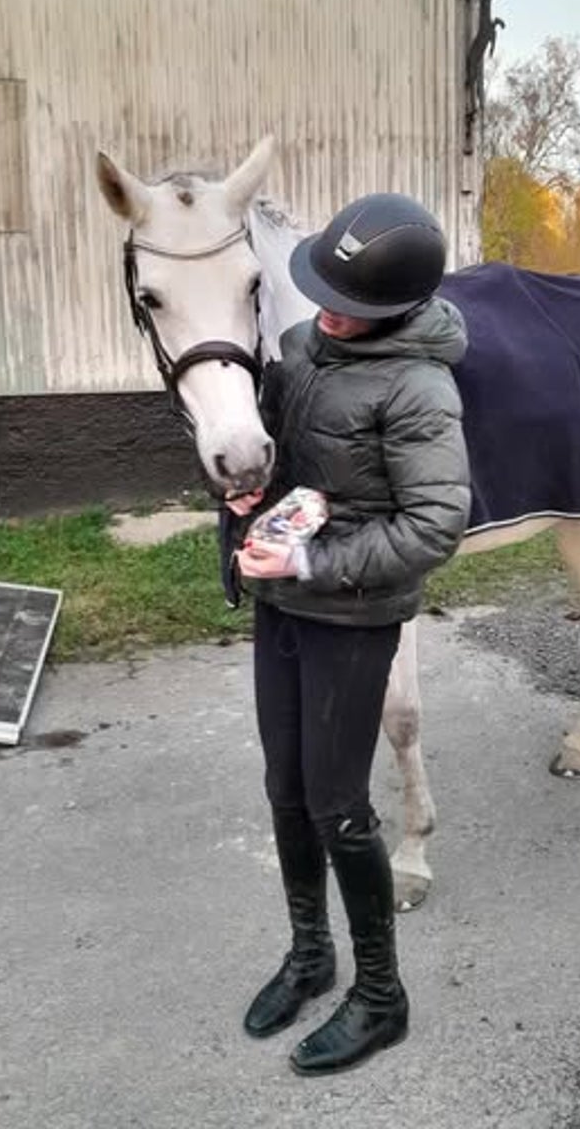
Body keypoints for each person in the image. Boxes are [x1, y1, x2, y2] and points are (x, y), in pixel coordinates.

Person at [225, 191, 472, 1076]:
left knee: (338, 805)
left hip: (352, 619)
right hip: (280, 611)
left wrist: (311, 567)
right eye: (326, 289)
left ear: (399, 307)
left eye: (352, 304)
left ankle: (380, 995)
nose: (330, 311)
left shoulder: (420, 387)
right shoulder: (298, 352)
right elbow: (283, 466)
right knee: (284, 790)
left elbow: (436, 523)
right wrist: (248, 504)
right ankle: (309, 955)